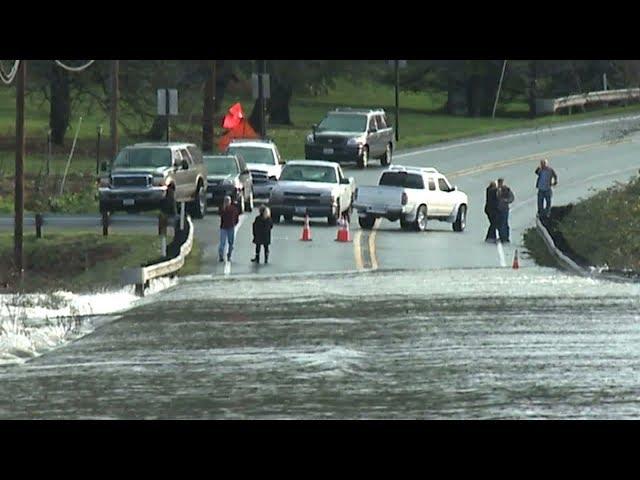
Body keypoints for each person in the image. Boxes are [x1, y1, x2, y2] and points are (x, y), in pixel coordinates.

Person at [218, 195, 239, 262]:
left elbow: (236, 217)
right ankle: (224, 256)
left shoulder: (233, 209)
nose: (227, 202)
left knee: (228, 243)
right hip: (225, 227)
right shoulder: (224, 208)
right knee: (225, 243)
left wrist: (234, 223)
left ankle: (227, 255)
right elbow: (220, 213)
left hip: (228, 227)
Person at [496, 178, 515, 243]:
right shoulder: (496, 190)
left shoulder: (506, 189)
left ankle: (506, 238)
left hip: (504, 209)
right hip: (497, 209)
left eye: (501, 182)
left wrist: (506, 200)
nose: (500, 184)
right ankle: (501, 237)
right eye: (499, 182)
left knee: (504, 223)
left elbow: (512, 198)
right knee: (499, 223)